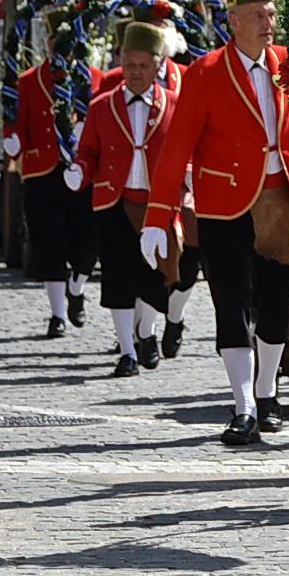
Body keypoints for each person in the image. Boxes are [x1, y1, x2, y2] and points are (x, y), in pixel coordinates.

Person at [141, 0, 289, 447]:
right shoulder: (206, 72)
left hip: (282, 200)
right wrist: (158, 217)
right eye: (257, 14)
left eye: (271, 14)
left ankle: (268, 391)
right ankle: (243, 406)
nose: (267, 23)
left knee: (277, 304)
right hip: (222, 205)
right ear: (233, 20)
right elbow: (175, 150)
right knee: (231, 304)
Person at [67, 22, 184, 376]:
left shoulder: (175, 104)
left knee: (156, 274)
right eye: (130, 64)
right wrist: (79, 170)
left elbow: (187, 149)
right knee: (118, 277)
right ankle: (128, 352)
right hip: (112, 202)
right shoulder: (102, 106)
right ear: (119, 62)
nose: (136, 72)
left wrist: (190, 173)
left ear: (158, 66)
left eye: (144, 65)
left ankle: (146, 332)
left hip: (158, 203)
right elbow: (88, 151)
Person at [3, 11, 98, 338]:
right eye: (58, 42)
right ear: (49, 44)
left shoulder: (92, 78)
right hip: (43, 172)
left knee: (89, 239)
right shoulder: (30, 80)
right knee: (48, 243)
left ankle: (78, 285)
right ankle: (57, 314)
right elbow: (18, 121)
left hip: (84, 171)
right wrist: (15, 139)